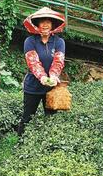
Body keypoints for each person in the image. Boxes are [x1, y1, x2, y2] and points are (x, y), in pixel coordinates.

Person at [16, 7, 67, 136]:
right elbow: (33, 62)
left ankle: (48, 146)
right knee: (27, 117)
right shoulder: (30, 41)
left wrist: (53, 76)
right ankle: (20, 143)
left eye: (48, 22)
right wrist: (43, 77)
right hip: (32, 86)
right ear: (37, 24)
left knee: (51, 118)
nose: (45, 25)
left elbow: (58, 61)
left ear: (52, 24)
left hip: (51, 87)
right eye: (42, 21)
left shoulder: (59, 42)